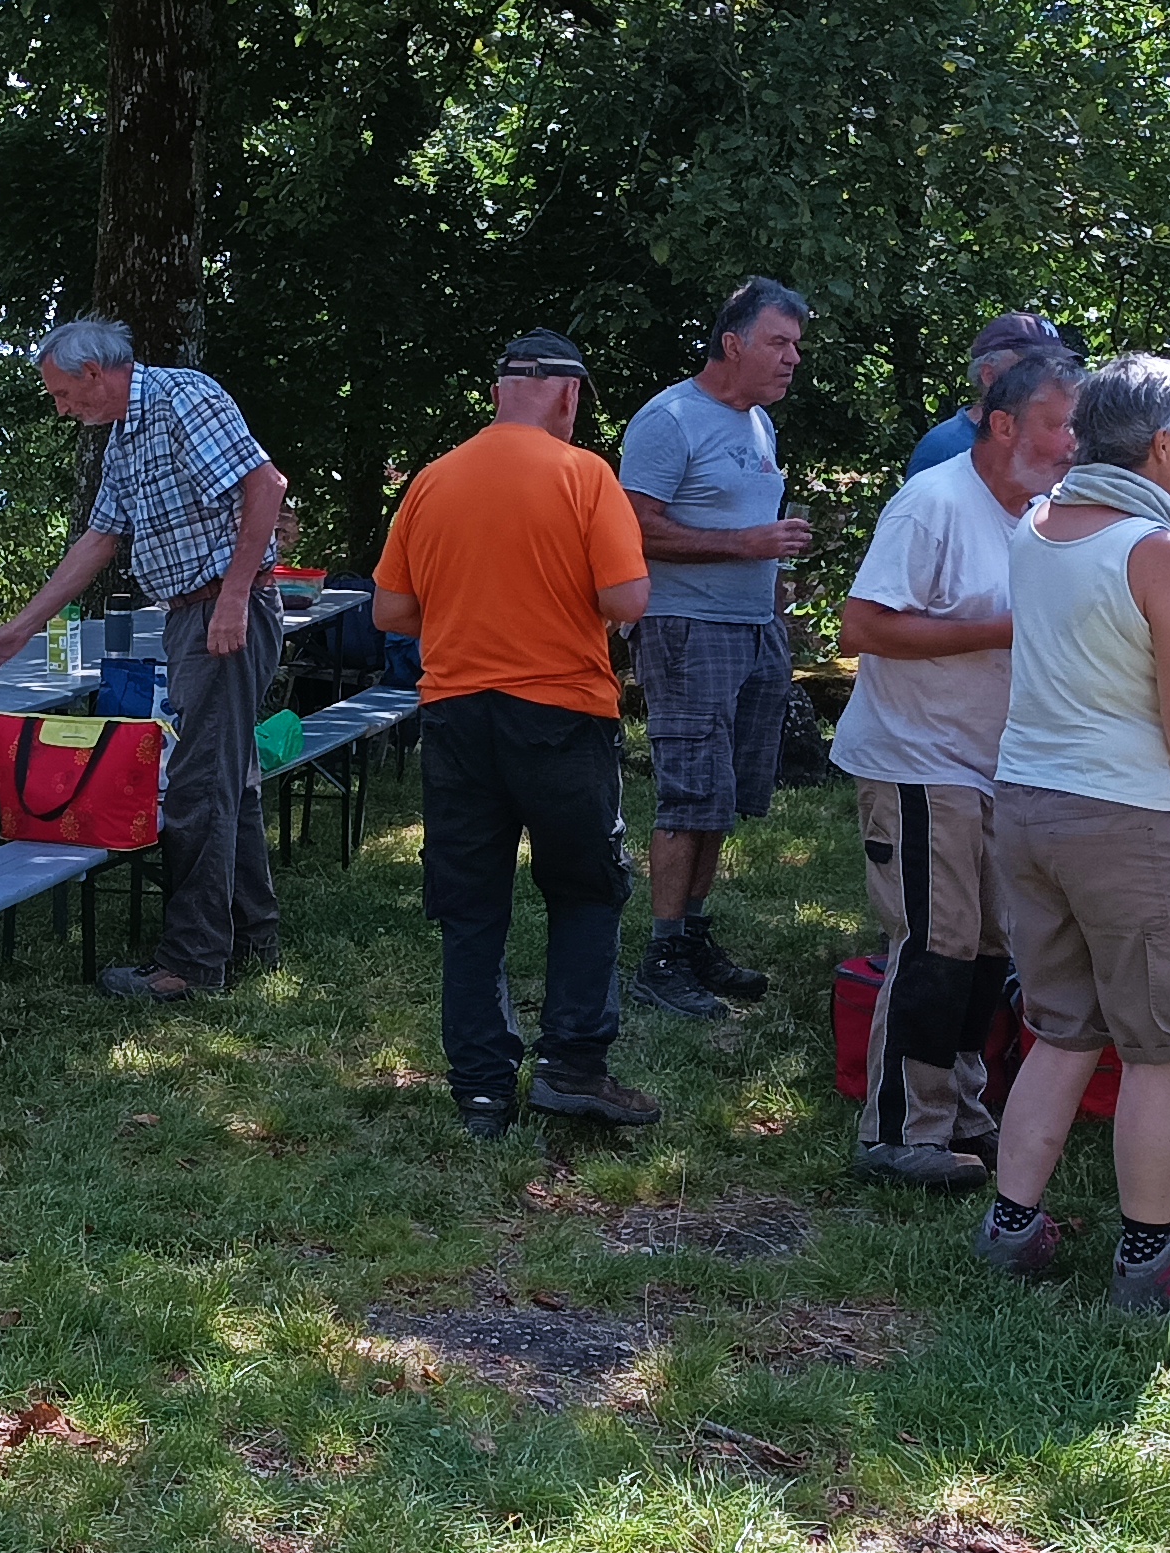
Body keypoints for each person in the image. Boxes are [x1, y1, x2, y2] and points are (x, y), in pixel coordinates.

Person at [970, 356, 1170, 1314]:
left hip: (1028, 803)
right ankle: (1148, 1263)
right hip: (1126, 814)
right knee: (1162, 1046)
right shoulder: (1158, 549)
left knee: (1061, 1027)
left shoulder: (1039, 522)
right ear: (1163, 442)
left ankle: (1011, 1229)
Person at [373, 330, 655, 1139]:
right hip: (563, 714)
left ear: (498, 394)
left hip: (457, 715)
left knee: (471, 905)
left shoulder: (432, 481)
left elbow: (390, 610)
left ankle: (481, 1092)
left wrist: (469, 612)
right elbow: (628, 599)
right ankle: (572, 1066)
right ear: (568, 396)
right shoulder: (585, 475)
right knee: (585, 889)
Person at [835, 349, 1086, 1190]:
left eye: (1078, 426)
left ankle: (962, 1113)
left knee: (985, 949)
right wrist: (1006, 630)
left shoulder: (1046, 513)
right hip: (915, 757)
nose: (1072, 443)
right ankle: (898, 1131)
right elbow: (861, 627)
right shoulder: (933, 502)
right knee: (937, 944)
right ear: (1003, 424)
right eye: (1058, 424)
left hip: (998, 763)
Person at [0, 319, 290, 1002]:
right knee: (226, 781)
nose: (62, 409)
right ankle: (252, 938)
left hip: (222, 610)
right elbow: (99, 539)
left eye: (63, 394)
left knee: (197, 787)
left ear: (94, 373)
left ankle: (191, 964)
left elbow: (266, 486)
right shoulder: (125, 435)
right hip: (191, 614)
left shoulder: (183, 399)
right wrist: (22, 628)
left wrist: (234, 597)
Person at [618, 276, 810, 1019]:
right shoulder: (670, 419)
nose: (792, 358)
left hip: (754, 629)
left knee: (722, 797)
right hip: (687, 628)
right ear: (732, 344)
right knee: (689, 794)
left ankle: (693, 936)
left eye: (796, 345)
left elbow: (752, 528)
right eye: (778, 342)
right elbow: (632, 529)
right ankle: (661, 956)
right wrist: (746, 545)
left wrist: (772, 586)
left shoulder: (758, 423)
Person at [902, 311, 1068, 474]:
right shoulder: (944, 447)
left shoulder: (1062, 441)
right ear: (989, 375)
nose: (1049, 376)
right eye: (1032, 367)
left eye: (1055, 366)